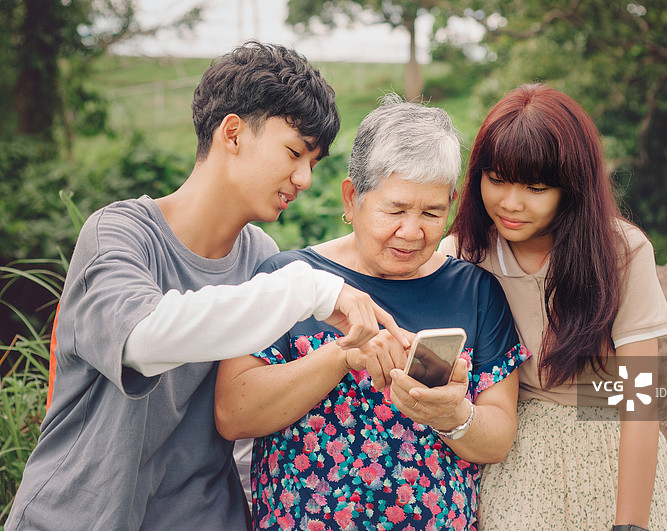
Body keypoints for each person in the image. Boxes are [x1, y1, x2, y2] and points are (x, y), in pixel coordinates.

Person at [6, 41, 407, 530]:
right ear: (232, 133)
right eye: (294, 152)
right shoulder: (118, 234)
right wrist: (313, 290)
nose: (304, 178)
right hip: (77, 517)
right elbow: (144, 339)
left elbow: (243, 414)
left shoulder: (263, 259)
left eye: (314, 163)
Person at [214, 95, 530, 531]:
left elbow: (497, 440)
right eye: (395, 210)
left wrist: (452, 415)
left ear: (452, 202)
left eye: (432, 212)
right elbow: (233, 414)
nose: (412, 232)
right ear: (352, 197)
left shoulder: (475, 292)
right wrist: (341, 356)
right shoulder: (290, 279)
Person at [440, 84, 667, 530]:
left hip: (611, 447)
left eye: (536, 187)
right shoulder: (461, 256)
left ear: (573, 188)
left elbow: (639, 400)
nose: (510, 203)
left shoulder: (622, 252)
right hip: (515, 454)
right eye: (496, 179)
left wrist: (631, 524)